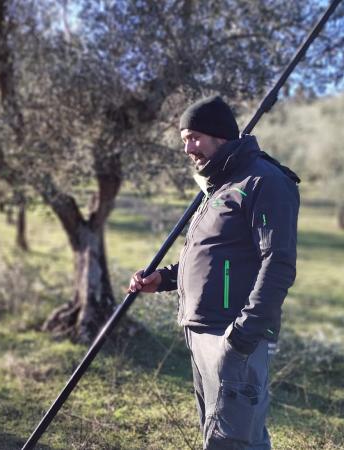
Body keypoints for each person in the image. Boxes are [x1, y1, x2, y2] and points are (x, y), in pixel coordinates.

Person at [128, 95, 300, 450]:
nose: (188, 148)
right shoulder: (221, 183)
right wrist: (164, 279)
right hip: (202, 328)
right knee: (227, 436)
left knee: (232, 440)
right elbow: (212, 255)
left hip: (233, 335)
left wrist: (243, 333)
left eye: (194, 137)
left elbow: (278, 262)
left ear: (219, 135)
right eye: (184, 140)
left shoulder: (263, 181)